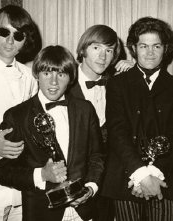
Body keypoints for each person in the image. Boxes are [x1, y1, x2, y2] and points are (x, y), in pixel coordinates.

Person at [0, 45, 105, 221]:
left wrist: (91, 188)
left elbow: (97, 156)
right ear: (36, 74)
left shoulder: (85, 109)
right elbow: (0, 171)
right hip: (41, 213)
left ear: (70, 78)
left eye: (61, 74)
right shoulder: (17, 115)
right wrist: (41, 175)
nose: (54, 82)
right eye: (47, 73)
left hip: (85, 211)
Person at [101, 16, 173, 221]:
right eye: (143, 46)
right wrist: (140, 174)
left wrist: (155, 172)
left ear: (165, 49)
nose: (150, 52)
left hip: (165, 179)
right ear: (133, 48)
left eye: (156, 46)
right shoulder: (117, 85)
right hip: (126, 178)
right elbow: (117, 132)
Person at [0, 5, 40, 221]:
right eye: (4, 32)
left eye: (18, 35)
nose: (10, 41)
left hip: (24, 191)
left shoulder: (30, 77)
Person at [68, 24, 134, 221]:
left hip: (105, 185)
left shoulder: (118, 84)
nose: (103, 56)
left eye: (109, 50)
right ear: (82, 50)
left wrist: (135, 71)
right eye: (96, 48)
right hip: (70, 184)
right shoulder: (63, 81)